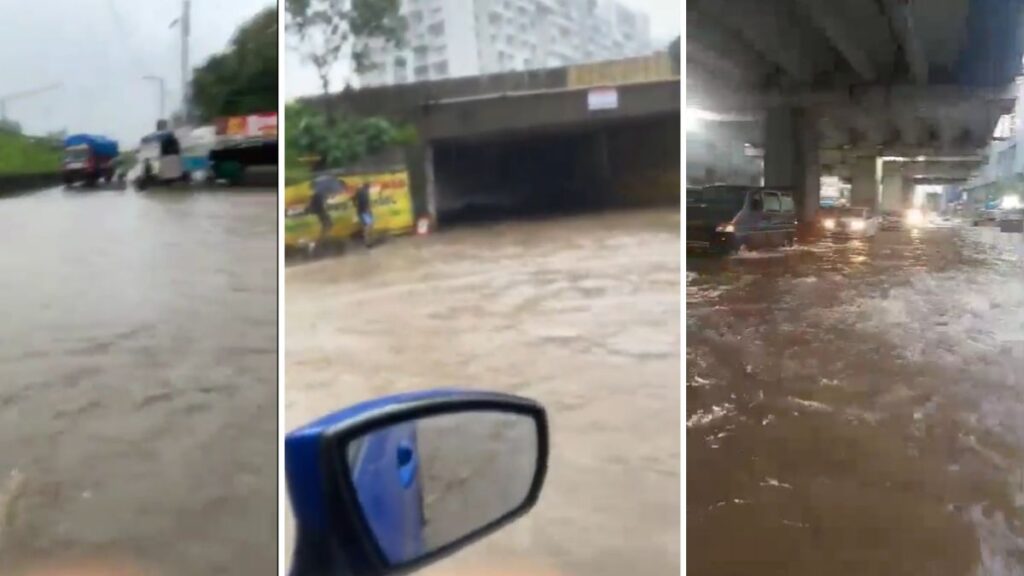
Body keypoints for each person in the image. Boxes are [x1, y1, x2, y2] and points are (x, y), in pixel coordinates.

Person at [309, 166, 345, 251]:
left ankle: (321, 240)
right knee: (328, 224)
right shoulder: (319, 195)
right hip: (320, 211)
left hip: (320, 211)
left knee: (328, 225)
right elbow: (320, 204)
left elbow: (321, 202)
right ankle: (318, 242)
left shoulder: (319, 193)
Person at [353, 181, 374, 248]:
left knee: (364, 225)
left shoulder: (358, 191)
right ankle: (368, 242)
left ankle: (366, 240)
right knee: (369, 225)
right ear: (367, 187)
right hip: (365, 211)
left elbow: (353, 199)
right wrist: (368, 211)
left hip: (359, 211)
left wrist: (356, 205)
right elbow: (366, 202)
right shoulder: (365, 192)